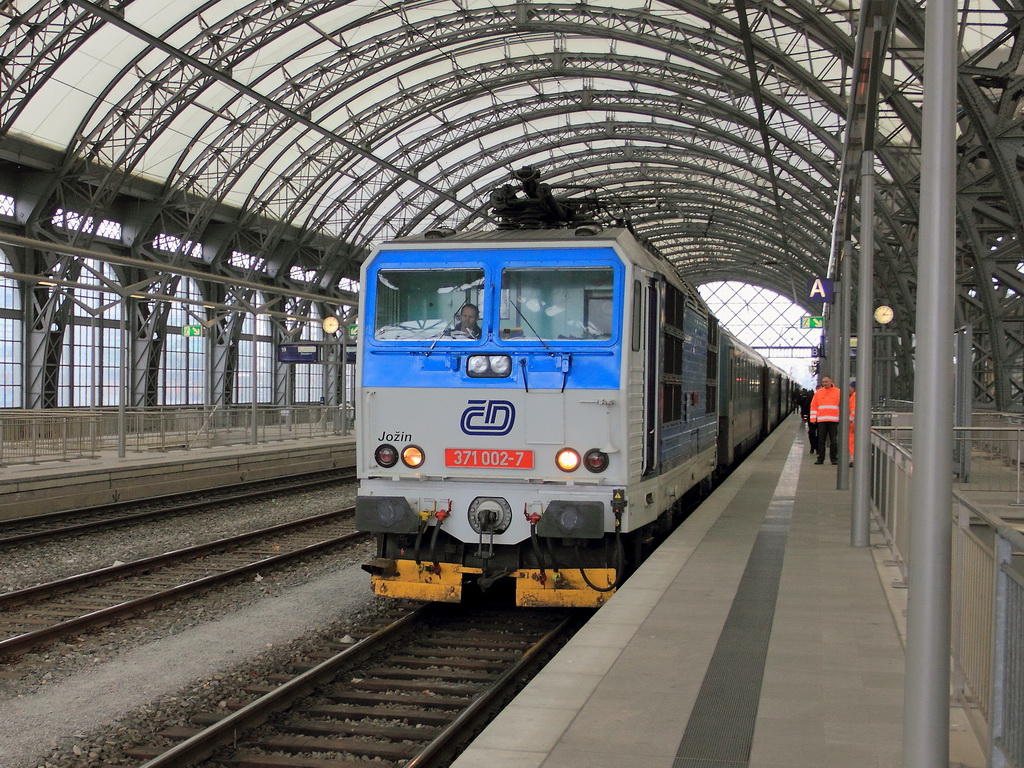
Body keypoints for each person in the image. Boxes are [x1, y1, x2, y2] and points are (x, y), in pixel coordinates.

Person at [809, 376, 841, 465]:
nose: (824, 383)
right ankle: (820, 458)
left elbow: (843, 405)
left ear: (831, 381)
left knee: (833, 441)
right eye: (823, 382)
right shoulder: (818, 393)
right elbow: (813, 406)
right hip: (821, 420)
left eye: (826, 381)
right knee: (821, 440)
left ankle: (833, 459)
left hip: (833, 420)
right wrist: (813, 419)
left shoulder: (838, 392)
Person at [799, 388, 817, 455]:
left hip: (820, 419)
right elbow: (805, 407)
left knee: (819, 434)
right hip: (811, 418)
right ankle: (813, 446)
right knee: (811, 433)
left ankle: (817, 448)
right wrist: (804, 416)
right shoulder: (809, 398)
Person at [848, 381, 856, 466]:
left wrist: (849, 420)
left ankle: (853, 460)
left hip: (853, 423)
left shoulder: (854, 396)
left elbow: (854, 410)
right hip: (855, 422)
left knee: (851, 441)